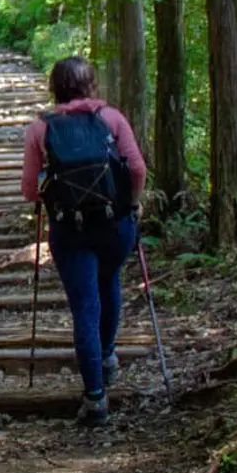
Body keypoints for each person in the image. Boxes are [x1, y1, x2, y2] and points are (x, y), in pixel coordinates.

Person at [20, 56, 146, 427]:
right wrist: (133, 202)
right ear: (91, 84)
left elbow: (29, 190)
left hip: (69, 230)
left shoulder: (40, 130)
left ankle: (95, 397)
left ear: (54, 87)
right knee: (109, 284)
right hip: (115, 224)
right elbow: (137, 168)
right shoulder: (112, 119)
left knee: (84, 307)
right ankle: (107, 357)